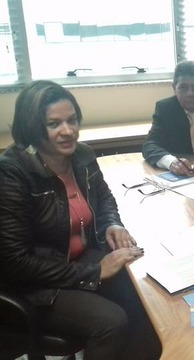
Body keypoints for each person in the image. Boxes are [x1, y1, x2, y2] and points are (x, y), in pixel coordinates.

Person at [0, 81, 158, 359]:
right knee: (112, 322)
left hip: (79, 259)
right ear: (32, 127)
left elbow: (104, 197)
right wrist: (94, 273)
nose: (68, 131)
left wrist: (112, 223)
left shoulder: (82, 155)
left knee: (147, 296)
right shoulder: (12, 173)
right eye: (54, 124)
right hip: (36, 284)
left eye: (72, 120)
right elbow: (15, 262)